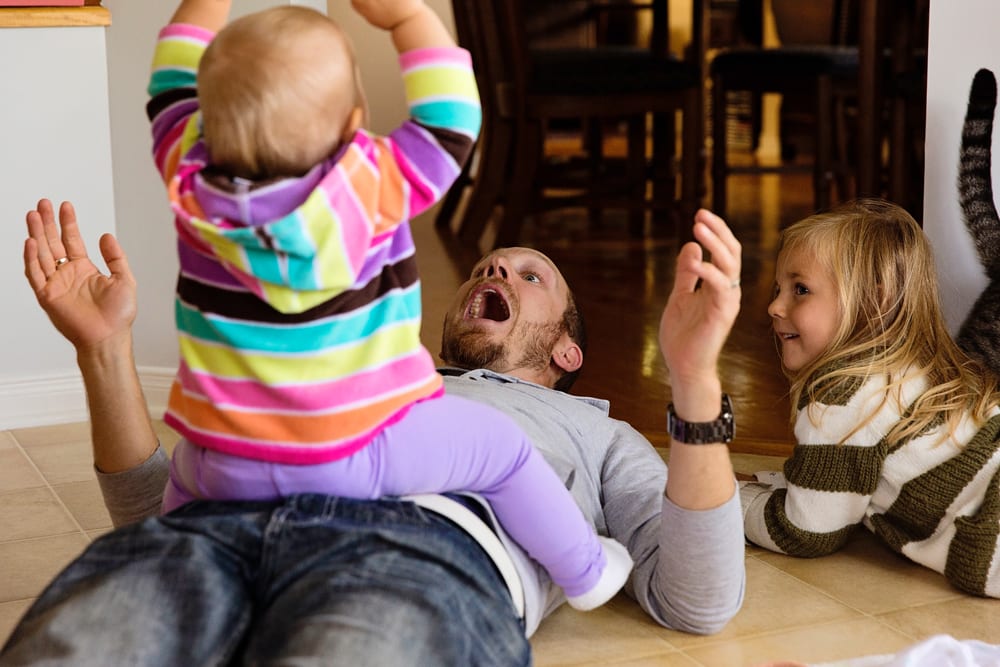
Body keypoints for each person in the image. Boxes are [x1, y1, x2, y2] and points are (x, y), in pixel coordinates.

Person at [1, 199, 746, 665]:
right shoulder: (373, 372)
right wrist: (103, 350)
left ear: (567, 350)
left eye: (529, 275)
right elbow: (155, 508)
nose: (496, 267)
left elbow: (695, 601)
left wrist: (694, 379)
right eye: (491, 265)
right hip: (223, 532)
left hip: (416, 550)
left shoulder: (594, 435)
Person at [147, 0, 630, 611]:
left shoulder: (188, 180)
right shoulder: (371, 185)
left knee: (182, 481)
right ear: (356, 120)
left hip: (223, 458)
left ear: (204, 119)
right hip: (352, 454)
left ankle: (168, 571)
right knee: (501, 450)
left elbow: (168, 78)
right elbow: (452, 118)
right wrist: (405, 16)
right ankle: (587, 573)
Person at [741, 198, 1000, 597]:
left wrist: (730, 502)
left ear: (872, 303)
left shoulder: (842, 395)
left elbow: (805, 531)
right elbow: (846, 481)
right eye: (779, 288)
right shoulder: (915, 371)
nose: (775, 306)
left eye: (801, 289)